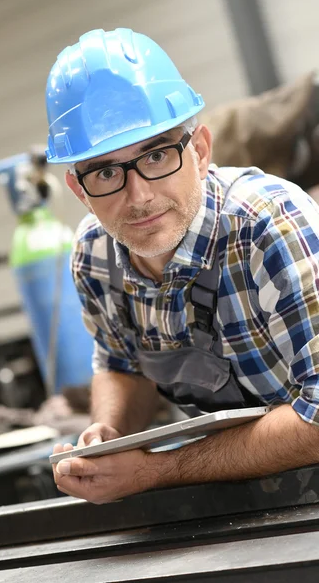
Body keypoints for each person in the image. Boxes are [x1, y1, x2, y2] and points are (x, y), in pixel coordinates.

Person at [45, 28, 319, 504]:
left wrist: (158, 470)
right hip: (239, 503)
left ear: (199, 150)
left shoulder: (269, 225)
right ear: (79, 190)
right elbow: (121, 365)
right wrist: (109, 435)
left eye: (156, 155)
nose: (140, 196)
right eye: (107, 172)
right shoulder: (94, 256)